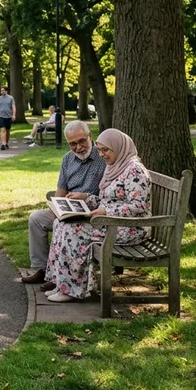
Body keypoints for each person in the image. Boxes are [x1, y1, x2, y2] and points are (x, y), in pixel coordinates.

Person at [43, 129, 151, 302]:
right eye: (99, 150)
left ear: (119, 147)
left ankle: (71, 290)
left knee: (73, 230)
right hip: (112, 223)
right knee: (61, 224)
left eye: (105, 150)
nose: (101, 154)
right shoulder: (115, 167)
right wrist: (85, 197)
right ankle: (60, 283)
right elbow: (107, 199)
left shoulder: (134, 170)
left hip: (129, 228)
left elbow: (138, 206)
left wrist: (106, 212)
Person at [21, 121, 105, 285]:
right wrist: (60, 206)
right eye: (72, 144)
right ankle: (42, 270)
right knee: (36, 218)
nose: (78, 147)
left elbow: (108, 195)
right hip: (71, 211)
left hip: (93, 214)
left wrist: (85, 196)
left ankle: (58, 276)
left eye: (81, 141)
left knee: (63, 225)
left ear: (90, 136)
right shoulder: (67, 159)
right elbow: (60, 193)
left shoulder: (103, 157)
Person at [0, 86, 16, 150]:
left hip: (9, 116)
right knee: (3, 130)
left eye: (3, 90)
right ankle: (3, 144)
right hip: (1, 116)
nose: (2, 91)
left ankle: (6, 143)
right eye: (1, 90)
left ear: (6, 91)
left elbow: (13, 107)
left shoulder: (11, 98)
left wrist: (13, 115)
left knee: (7, 131)